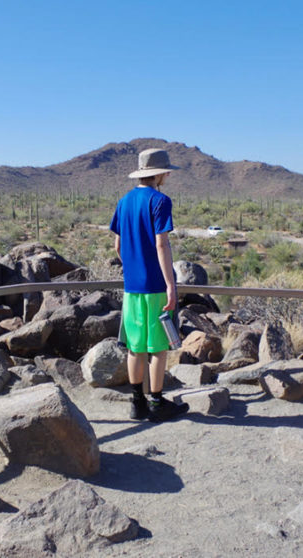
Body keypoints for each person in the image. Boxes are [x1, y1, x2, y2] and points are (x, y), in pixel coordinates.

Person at [109, 147, 189, 423]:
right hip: (155, 285)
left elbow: (118, 245)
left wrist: (132, 265)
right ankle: (156, 403)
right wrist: (170, 284)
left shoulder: (124, 202)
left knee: (135, 346)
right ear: (160, 173)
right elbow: (162, 243)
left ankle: (136, 403)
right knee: (158, 347)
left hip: (132, 287)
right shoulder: (160, 201)